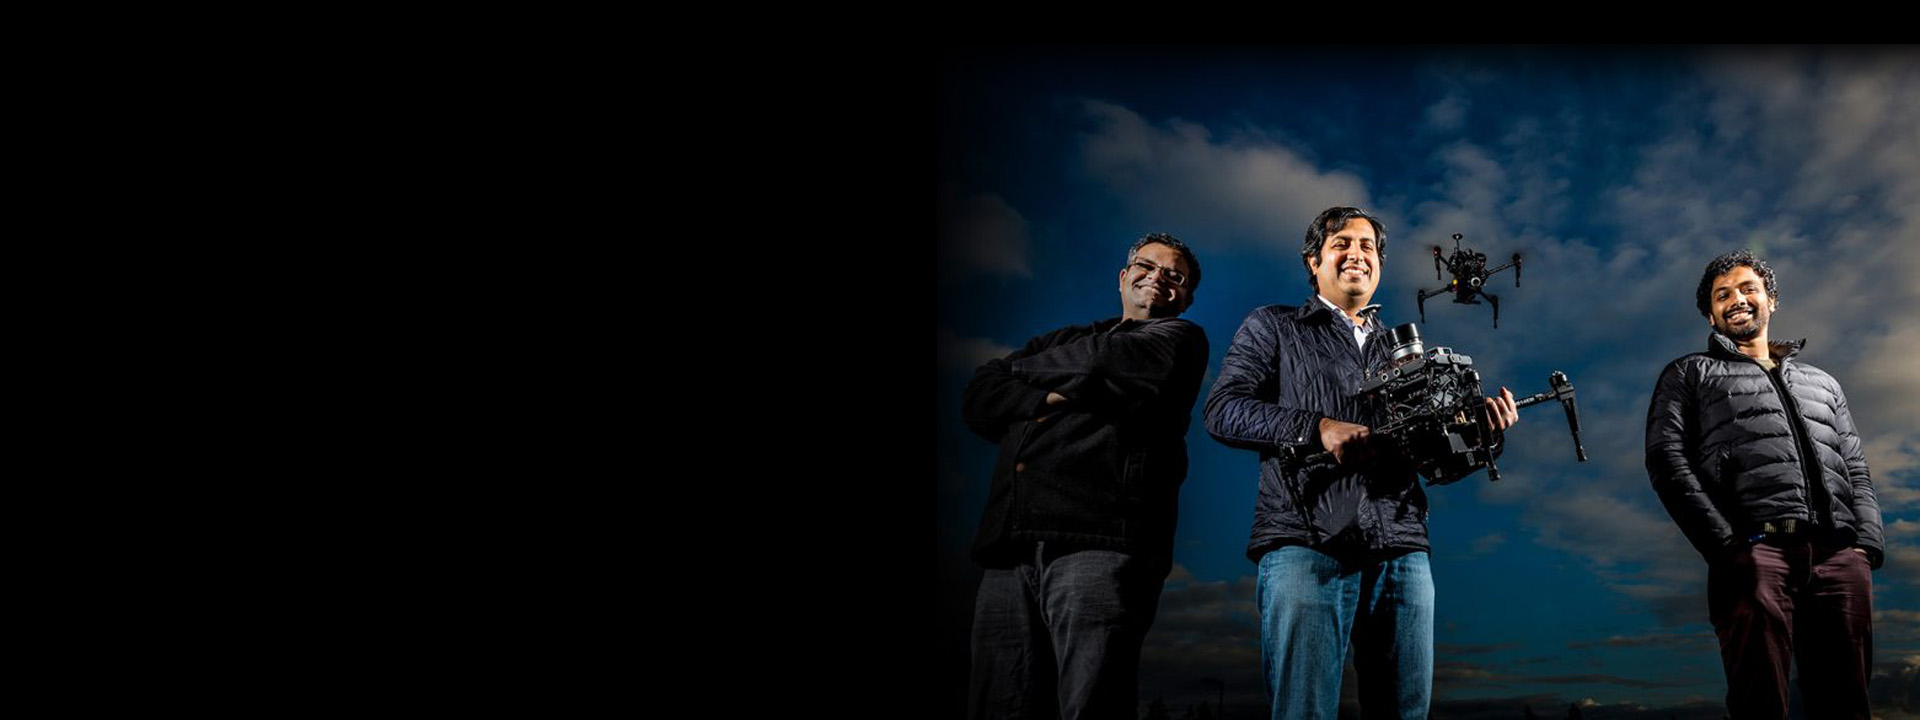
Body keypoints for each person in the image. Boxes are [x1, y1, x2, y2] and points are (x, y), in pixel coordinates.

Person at [1205, 206, 1518, 720]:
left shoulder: (1406, 354)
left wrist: (1483, 436)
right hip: (1306, 540)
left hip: (1400, 546)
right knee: (1304, 710)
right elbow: (1224, 410)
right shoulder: (1273, 326)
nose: (1357, 254)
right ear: (1313, 262)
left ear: (1380, 265)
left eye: (1367, 246)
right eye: (1342, 244)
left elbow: (1433, 461)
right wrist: (1317, 428)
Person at [962, 233, 1211, 720]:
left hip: (1100, 543)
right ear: (1123, 277)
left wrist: (1021, 379)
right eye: (1146, 266)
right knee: (999, 703)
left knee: (1092, 702)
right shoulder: (1060, 341)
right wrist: (1051, 397)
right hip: (1010, 545)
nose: (1157, 277)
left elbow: (1102, 361)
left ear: (1186, 297)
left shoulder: (1179, 339)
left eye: (1174, 275)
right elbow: (979, 395)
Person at [1645, 249, 1882, 720]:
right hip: (1754, 557)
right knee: (1759, 704)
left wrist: (1865, 548)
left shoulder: (1823, 384)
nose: (1736, 299)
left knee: (1847, 705)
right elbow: (1666, 460)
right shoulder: (1689, 374)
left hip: (1839, 560)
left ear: (1771, 300)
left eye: (1747, 288)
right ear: (1710, 314)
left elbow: (1855, 465)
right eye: (1722, 295)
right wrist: (1726, 545)